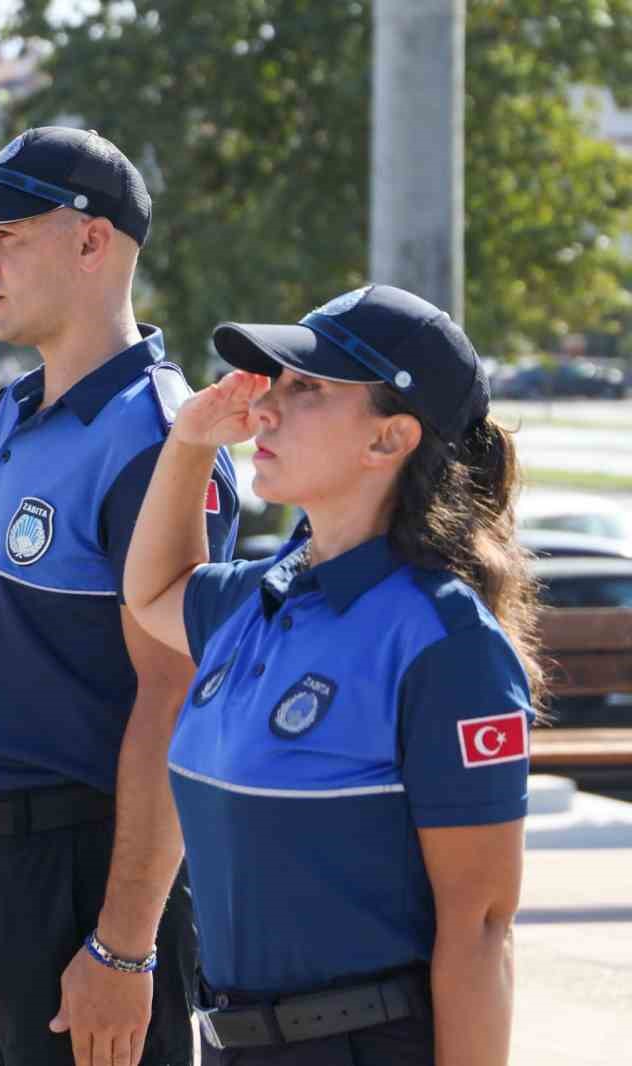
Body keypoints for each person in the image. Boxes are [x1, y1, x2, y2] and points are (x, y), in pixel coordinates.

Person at [0, 127, 240, 1066]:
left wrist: (124, 943)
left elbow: (174, 698)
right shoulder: (21, 411)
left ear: (91, 241)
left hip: (83, 872)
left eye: (7, 235)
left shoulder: (155, 438)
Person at [121, 284, 538, 1065]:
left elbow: (481, 931)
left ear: (389, 441)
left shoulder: (444, 643)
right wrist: (188, 445)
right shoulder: (262, 594)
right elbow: (151, 593)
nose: (266, 410)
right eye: (274, 385)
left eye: (306, 388)